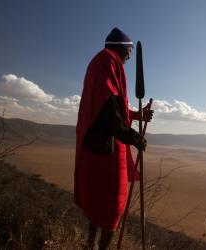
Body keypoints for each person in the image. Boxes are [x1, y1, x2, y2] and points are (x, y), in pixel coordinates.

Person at [74, 27, 153, 250]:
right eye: (129, 51)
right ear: (122, 47)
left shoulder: (101, 62)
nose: (130, 56)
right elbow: (108, 110)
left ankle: (90, 245)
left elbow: (113, 105)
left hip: (99, 144)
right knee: (111, 206)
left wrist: (139, 115)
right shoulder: (107, 61)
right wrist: (131, 135)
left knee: (98, 204)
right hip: (106, 148)